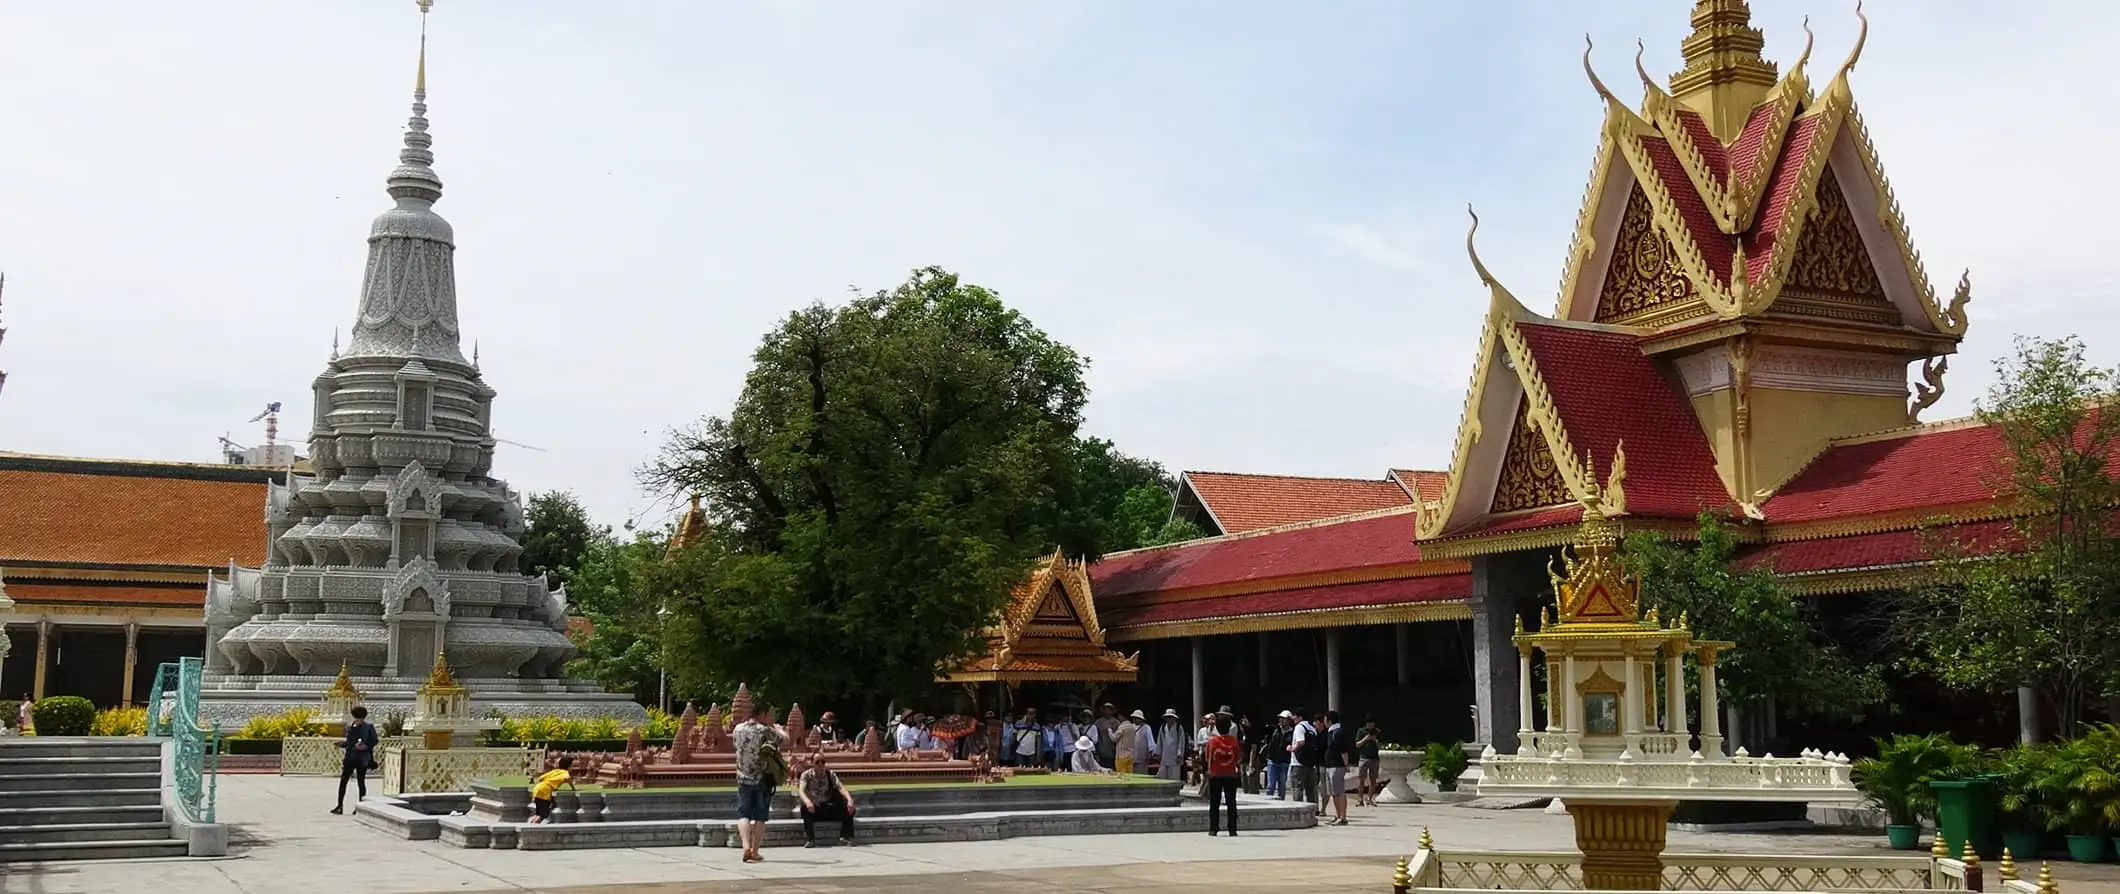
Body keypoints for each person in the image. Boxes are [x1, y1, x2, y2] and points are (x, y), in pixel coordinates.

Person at [733, 702, 786, 863]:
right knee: (760, 816)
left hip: (742, 777)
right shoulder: (765, 730)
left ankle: (745, 846)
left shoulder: (738, 729)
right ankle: (755, 851)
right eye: (768, 714)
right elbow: (785, 740)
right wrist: (780, 730)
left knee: (744, 814)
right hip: (762, 779)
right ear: (761, 713)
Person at [797, 749, 856, 847]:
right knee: (804, 809)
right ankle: (811, 839)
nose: (820, 765)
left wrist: (850, 799)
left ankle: (845, 837)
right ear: (812, 763)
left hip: (828, 807)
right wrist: (808, 802)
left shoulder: (830, 774)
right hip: (815, 808)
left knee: (850, 809)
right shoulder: (806, 775)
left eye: (823, 762)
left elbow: (840, 787)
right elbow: (801, 790)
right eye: (817, 762)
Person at [328, 705, 380, 815]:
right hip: (350, 757)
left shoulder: (369, 727)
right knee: (343, 781)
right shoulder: (350, 727)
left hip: (362, 758)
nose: (358, 720)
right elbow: (349, 742)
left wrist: (365, 746)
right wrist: (342, 744)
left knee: (361, 782)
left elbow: (374, 740)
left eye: (360, 718)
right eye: (356, 718)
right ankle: (339, 805)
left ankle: (361, 806)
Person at [1203, 715, 1241, 836]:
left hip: (1215, 774)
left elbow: (1207, 757)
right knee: (1231, 802)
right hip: (1230, 774)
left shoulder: (1212, 742)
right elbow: (1238, 757)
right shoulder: (1234, 741)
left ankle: (1213, 828)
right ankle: (1232, 829)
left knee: (1214, 803)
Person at [1321, 710, 1353, 826]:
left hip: (1337, 766)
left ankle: (1343, 817)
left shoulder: (1338, 733)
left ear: (1329, 721)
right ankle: (1337, 815)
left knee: (1339, 792)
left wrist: (1346, 765)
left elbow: (1344, 751)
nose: (1324, 723)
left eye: (1325, 720)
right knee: (1334, 793)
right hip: (1330, 766)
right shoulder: (1331, 732)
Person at [1288, 707, 1321, 813]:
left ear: (1300, 717)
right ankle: (1314, 810)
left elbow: (1301, 742)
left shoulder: (1299, 727)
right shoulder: (1312, 729)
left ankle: (1298, 810)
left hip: (1298, 763)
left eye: (1295, 716)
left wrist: (1292, 748)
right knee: (1311, 789)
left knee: (1297, 787)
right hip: (1310, 764)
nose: (1293, 718)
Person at [528, 755, 578, 824]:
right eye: (572, 765)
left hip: (537, 788)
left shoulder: (555, 771)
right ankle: (532, 829)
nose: (572, 767)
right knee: (543, 814)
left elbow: (540, 778)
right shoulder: (565, 773)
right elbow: (567, 778)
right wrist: (573, 788)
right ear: (569, 766)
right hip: (544, 790)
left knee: (539, 813)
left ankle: (530, 825)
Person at [1263, 711, 1292, 799]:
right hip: (1273, 760)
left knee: (1282, 786)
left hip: (1284, 762)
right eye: (1280, 718)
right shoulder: (1275, 730)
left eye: (1284, 719)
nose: (1281, 721)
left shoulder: (1292, 732)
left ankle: (1281, 804)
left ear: (1289, 720)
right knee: (1270, 786)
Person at [1355, 716, 1384, 807]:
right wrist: (1365, 739)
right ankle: (1360, 799)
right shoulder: (1361, 731)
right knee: (1361, 779)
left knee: (1373, 780)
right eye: (1369, 724)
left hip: (1374, 758)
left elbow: (1381, 746)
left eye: (1372, 723)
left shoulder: (1378, 732)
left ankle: (1370, 799)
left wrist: (1375, 741)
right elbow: (1357, 745)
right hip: (1364, 758)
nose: (1370, 725)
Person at [1155, 709, 1189, 781]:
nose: (1169, 719)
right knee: (1162, 777)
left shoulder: (1179, 727)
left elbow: (1181, 742)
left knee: (1174, 778)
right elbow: (1159, 741)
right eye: (1167, 717)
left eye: (1170, 717)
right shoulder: (1163, 727)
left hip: (1175, 758)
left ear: (1174, 718)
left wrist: (1179, 755)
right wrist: (1157, 753)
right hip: (1164, 756)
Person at [1092, 704, 1121, 769]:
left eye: (1109, 709)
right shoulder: (1098, 722)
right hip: (1101, 749)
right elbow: (1095, 734)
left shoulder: (1116, 722)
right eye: (1105, 709)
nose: (1107, 711)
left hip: (1112, 749)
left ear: (1112, 711)